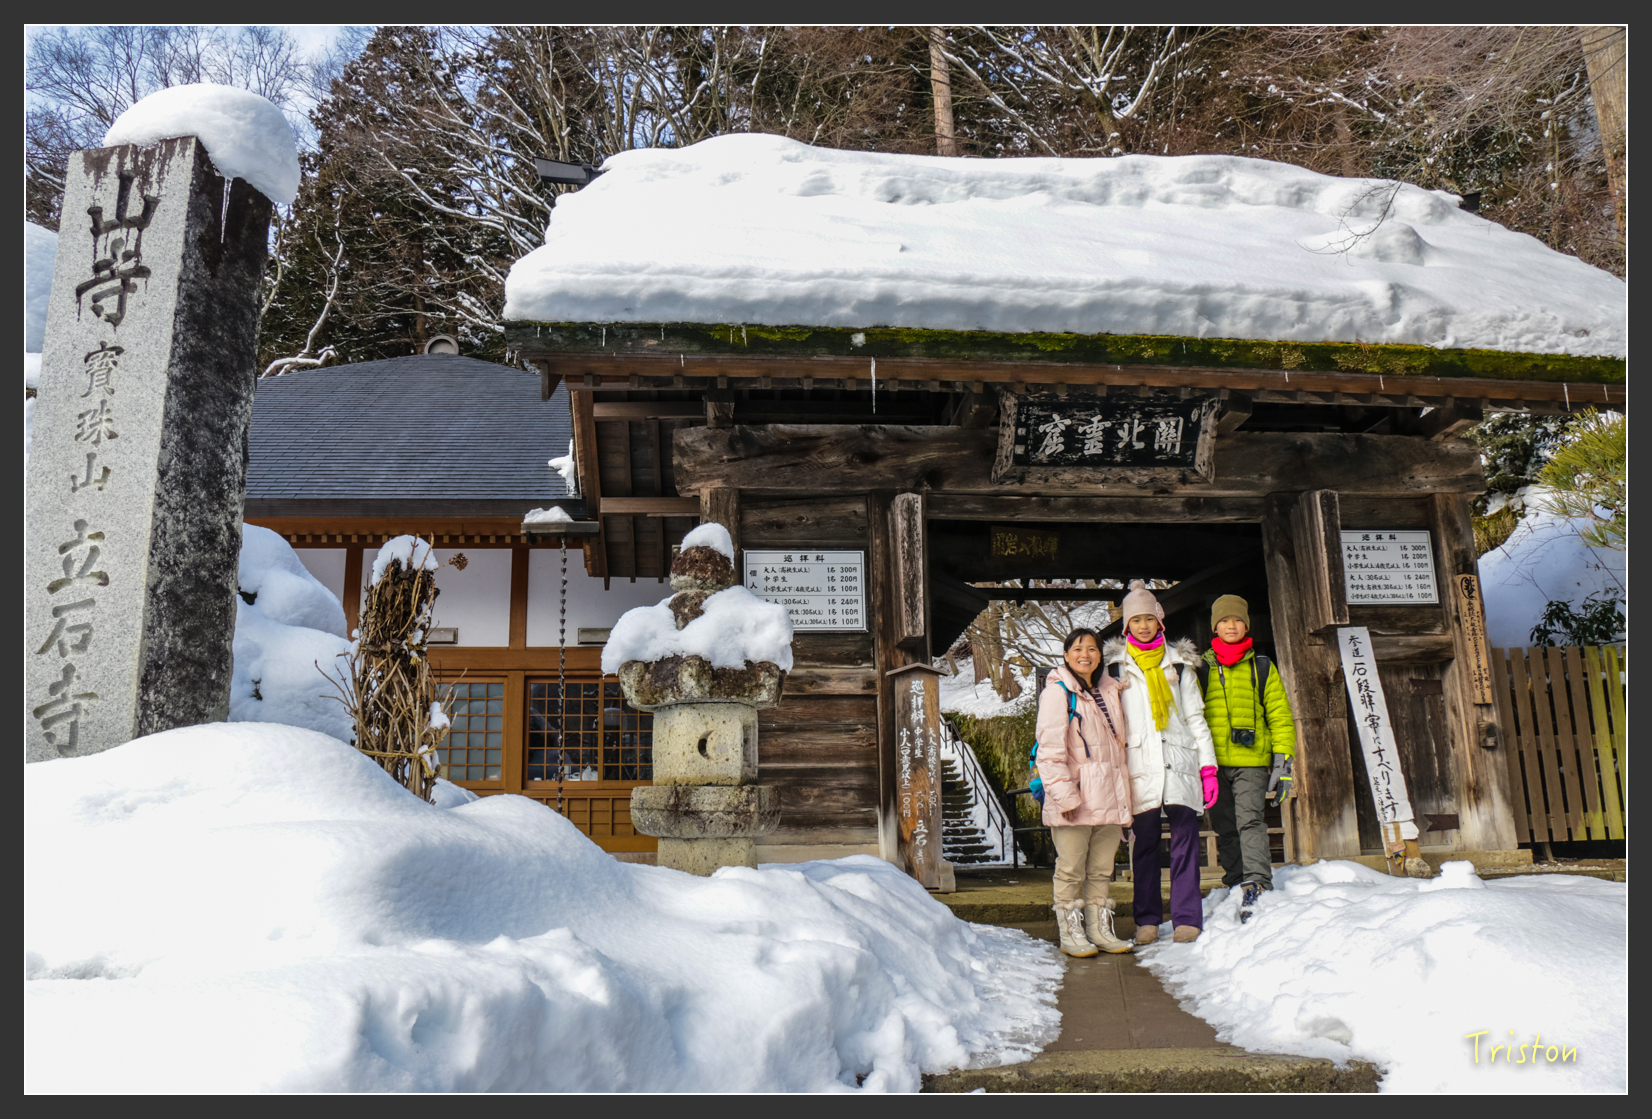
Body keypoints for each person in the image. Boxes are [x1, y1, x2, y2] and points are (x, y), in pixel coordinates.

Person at [1105, 580, 1219, 945]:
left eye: (1148, 619)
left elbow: (1195, 718)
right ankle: (1148, 919)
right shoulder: (1115, 670)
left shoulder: (1181, 666)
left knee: (1186, 843)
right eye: (1135, 620)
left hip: (1180, 763)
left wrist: (1208, 767)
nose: (1142, 626)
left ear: (1160, 622)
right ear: (1126, 626)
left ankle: (1187, 917)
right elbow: (1111, 728)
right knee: (1145, 847)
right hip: (1139, 768)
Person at [1035, 627, 1135, 956]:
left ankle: (1100, 929)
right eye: (1077, 649)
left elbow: (1119, 750)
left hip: (1109, 795)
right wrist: (1064, 796)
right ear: (1065, 655)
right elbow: (1049, 752)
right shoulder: (1057, 693)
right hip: (1075, 798)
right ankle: (1071, 933)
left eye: (1092, 649)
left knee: (1101, 870)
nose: (1085, 655)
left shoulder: (1110, 690)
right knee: (1070, 868)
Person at [1200, 594, 1296, 922]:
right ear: (1215, 626)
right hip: (1212, 762)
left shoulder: (1262, 666)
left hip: (1252, 760)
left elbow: (1280, 716)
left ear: (1246, 625)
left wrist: (1283, 762)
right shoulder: (1200, 668)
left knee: (1250, 820)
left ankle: (1257, 881)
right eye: (1224, 620)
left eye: (1237, 620)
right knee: (1225, 825)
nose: (1231, 625)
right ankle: (1236, 880)